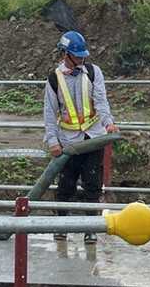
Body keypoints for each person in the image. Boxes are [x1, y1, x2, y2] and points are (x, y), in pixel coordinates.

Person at [42, 30, 119, 243]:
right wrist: (52, 141)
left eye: (83, 56)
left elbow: (101, 102)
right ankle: (61, 226)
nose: (81, 59)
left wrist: (109, 123)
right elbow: (49, 113)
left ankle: (90, 228)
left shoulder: (93, 73)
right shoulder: (54, 79)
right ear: (65, 54)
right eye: (77, 56)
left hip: (93, 138)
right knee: (66, 184)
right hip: (68, 142)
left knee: (93, 184)